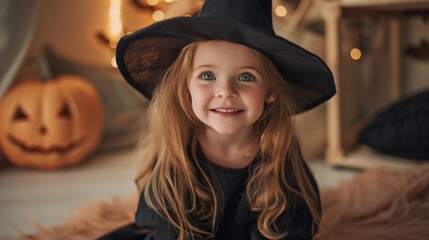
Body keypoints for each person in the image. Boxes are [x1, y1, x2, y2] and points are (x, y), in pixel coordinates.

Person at [99, 0, 336, 239]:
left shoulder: (278, 152)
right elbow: (167, 229)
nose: (226, 91)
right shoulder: (177, 151)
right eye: (208, 75)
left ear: (270, 91)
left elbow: (292, 227)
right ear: (185, 87)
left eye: (245, 76)